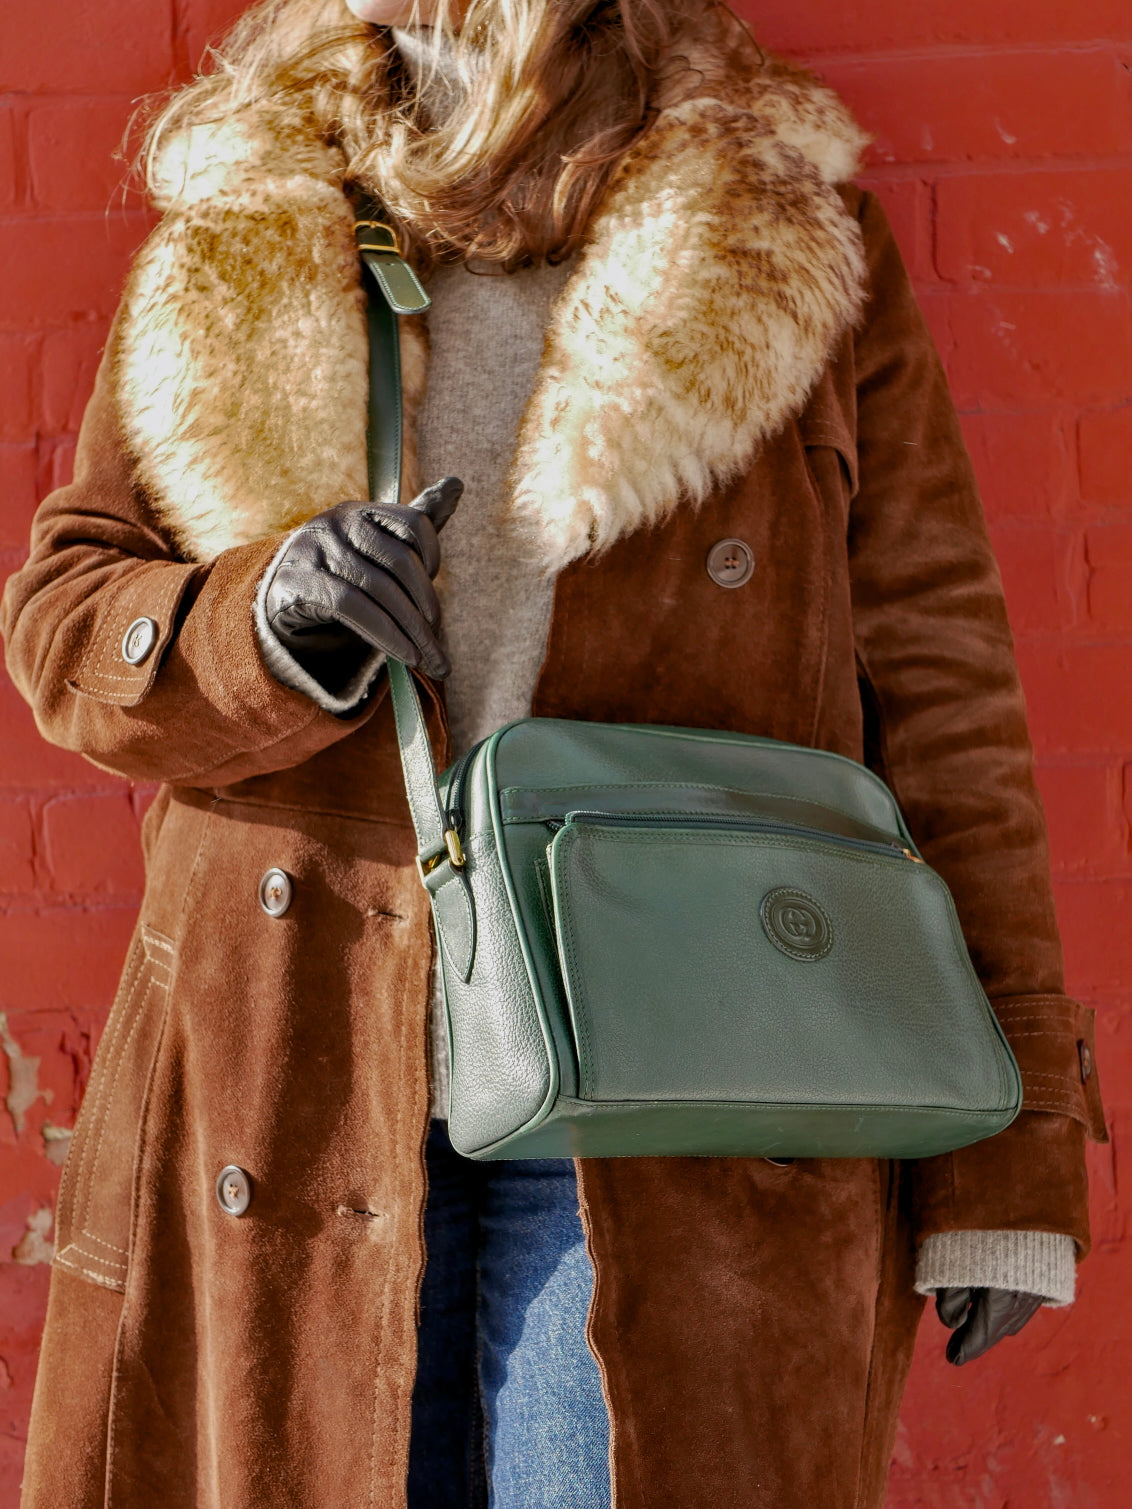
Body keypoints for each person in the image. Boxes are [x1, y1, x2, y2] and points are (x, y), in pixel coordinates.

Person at [0, 0, 1106, 1505]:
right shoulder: (243, 229)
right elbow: (65, 621)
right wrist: (262, 618)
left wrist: (1009, 1145)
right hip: (297, 1075)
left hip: (677, 1089)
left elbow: (943, 690)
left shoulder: (777, 231)